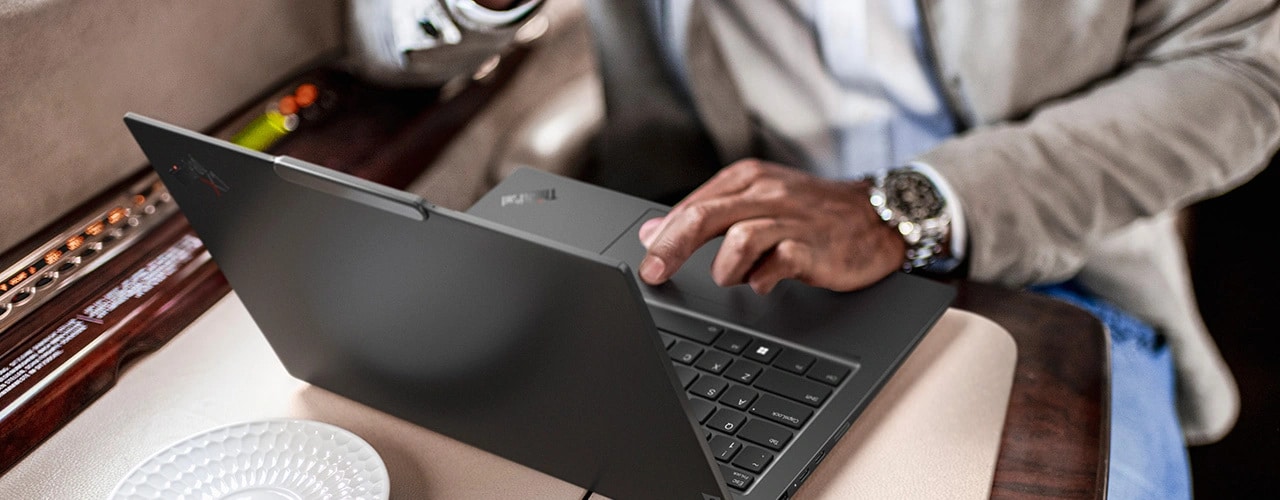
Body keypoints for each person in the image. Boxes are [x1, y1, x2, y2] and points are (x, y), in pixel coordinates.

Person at [393, 1, 1280, 498]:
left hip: (1048, 288)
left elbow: (1246, 67)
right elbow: (400, 40)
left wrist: (907, 208)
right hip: (731, 279)